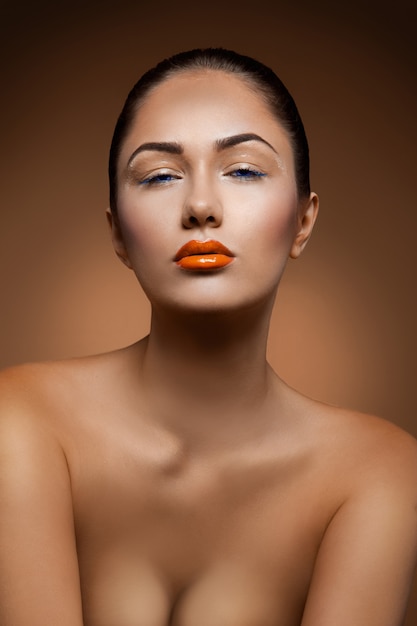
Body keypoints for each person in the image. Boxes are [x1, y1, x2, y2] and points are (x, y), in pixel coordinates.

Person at [0, 47, 416, 626]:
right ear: (118, 233)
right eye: (160, 175)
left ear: (303, 219)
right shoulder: (20, 421)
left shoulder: (378, 470)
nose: (200, 206)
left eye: (243, 169)